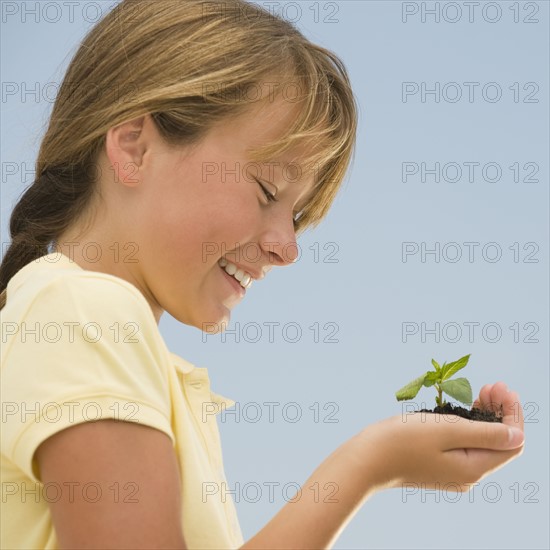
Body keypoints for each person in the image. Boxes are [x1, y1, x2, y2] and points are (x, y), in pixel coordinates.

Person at [0, 1, 525, 548]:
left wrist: (375, 463)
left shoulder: (110, 344)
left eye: (296, 217)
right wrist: (366, 465)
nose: (289, 248)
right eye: (267, 192)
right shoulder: (85, 314)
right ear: (134, 145)